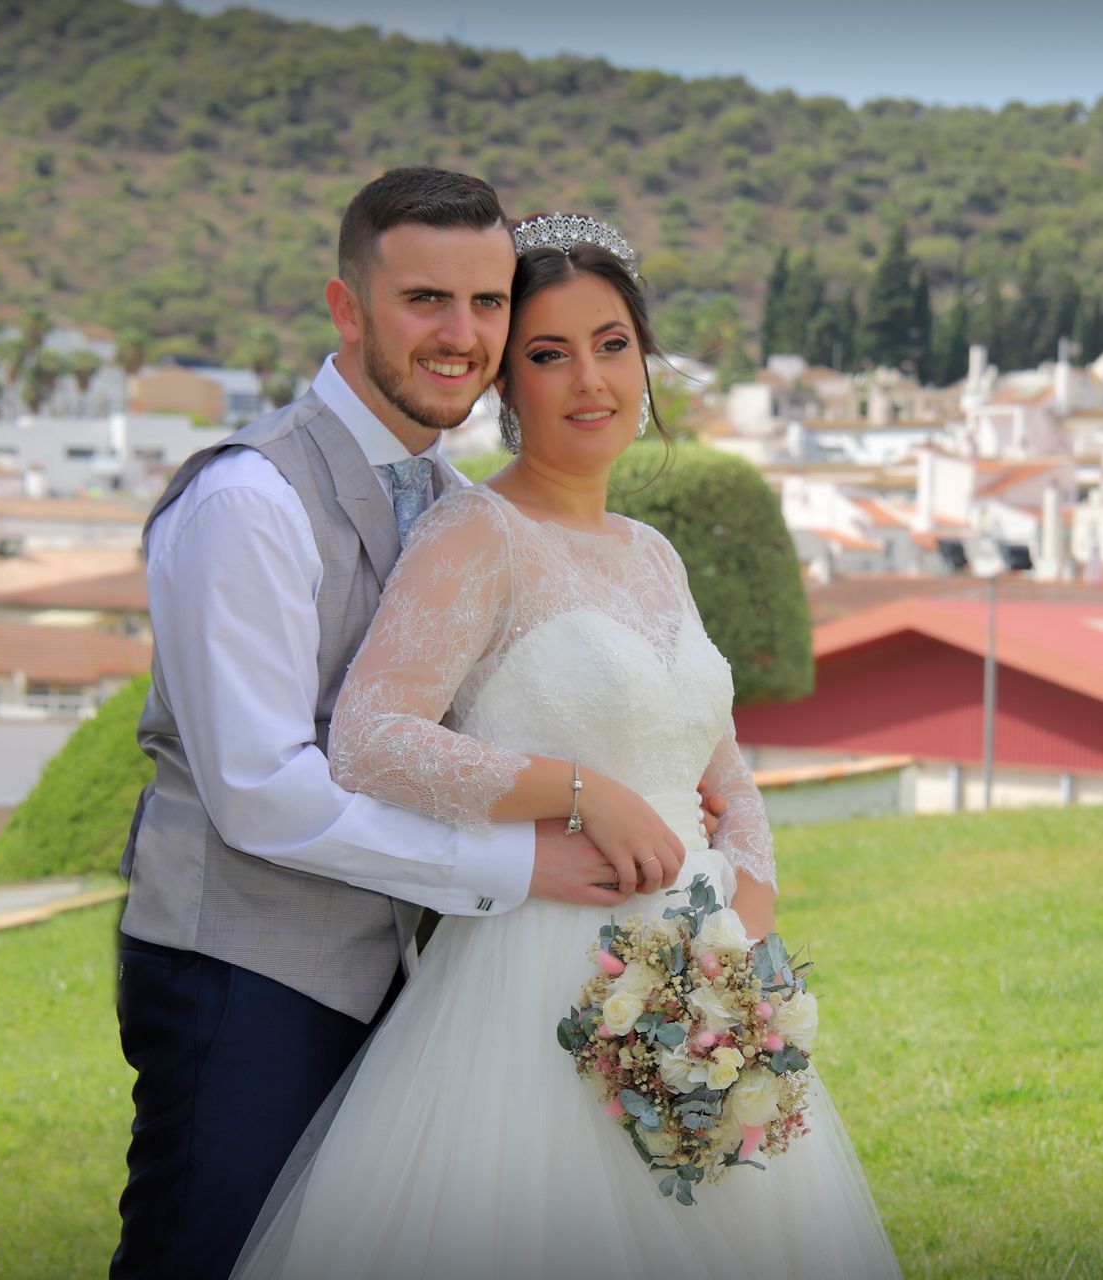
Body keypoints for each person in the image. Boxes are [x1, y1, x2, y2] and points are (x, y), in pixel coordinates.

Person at [231, 214, 900, 1278]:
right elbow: (369, 739)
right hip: (534, 971)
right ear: (507, 384)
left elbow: (721, 769)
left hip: (699, 973)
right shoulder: (475, 535)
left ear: (646, 360)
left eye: (612, 344)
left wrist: (743, 935)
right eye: (549, 354)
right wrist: (577, 789)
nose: (589, 379)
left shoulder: (656, 554)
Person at [111, 170, 719, 1280]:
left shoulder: (453, 500)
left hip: (425, 974)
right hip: (246, 968)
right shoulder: (248, 500)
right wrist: (519, 851)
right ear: (348, 309)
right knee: (211, 1253)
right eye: (425, 300)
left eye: (488, 304)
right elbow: (262, 791)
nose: (463, 334)